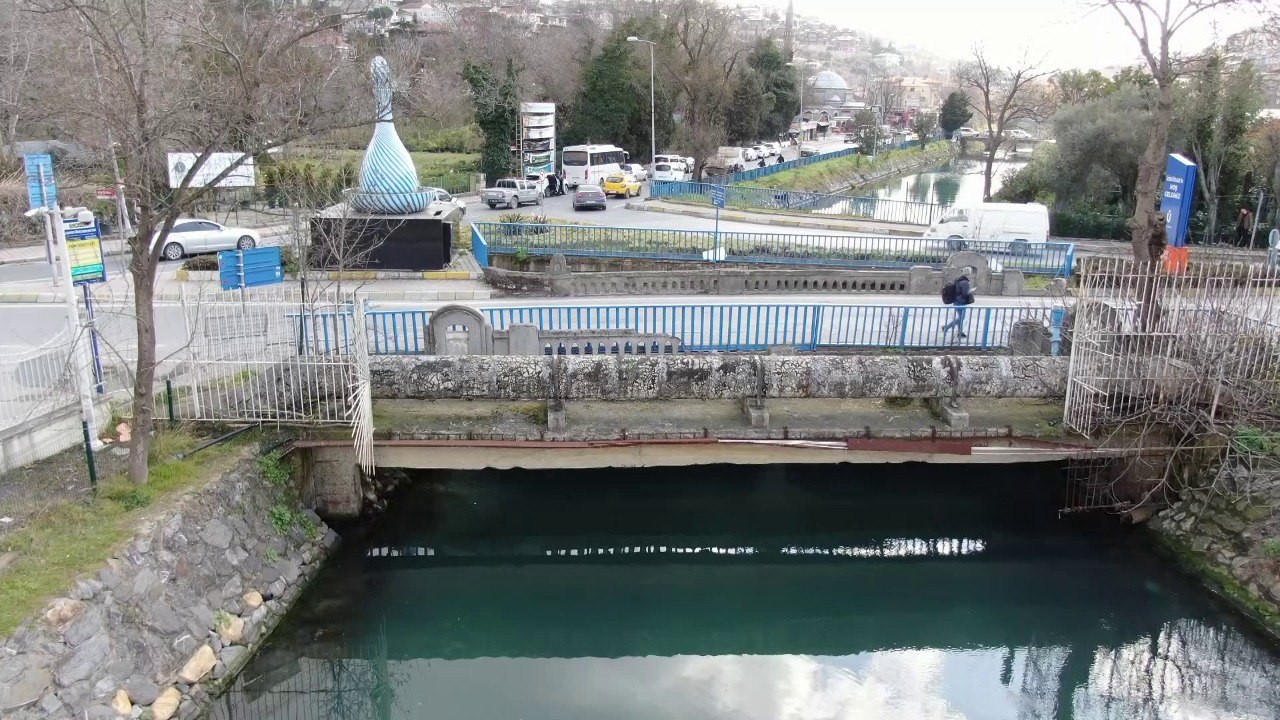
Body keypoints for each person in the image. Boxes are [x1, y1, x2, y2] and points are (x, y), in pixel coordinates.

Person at [941, 274, 974, 339]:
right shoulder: (965, 282)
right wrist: (970, 291)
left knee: (960, 317)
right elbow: (965, 293)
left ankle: (960, 332)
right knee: (961, 318)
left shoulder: (958, 280)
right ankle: (946, 327)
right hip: (961, 301)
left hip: (956, 301)